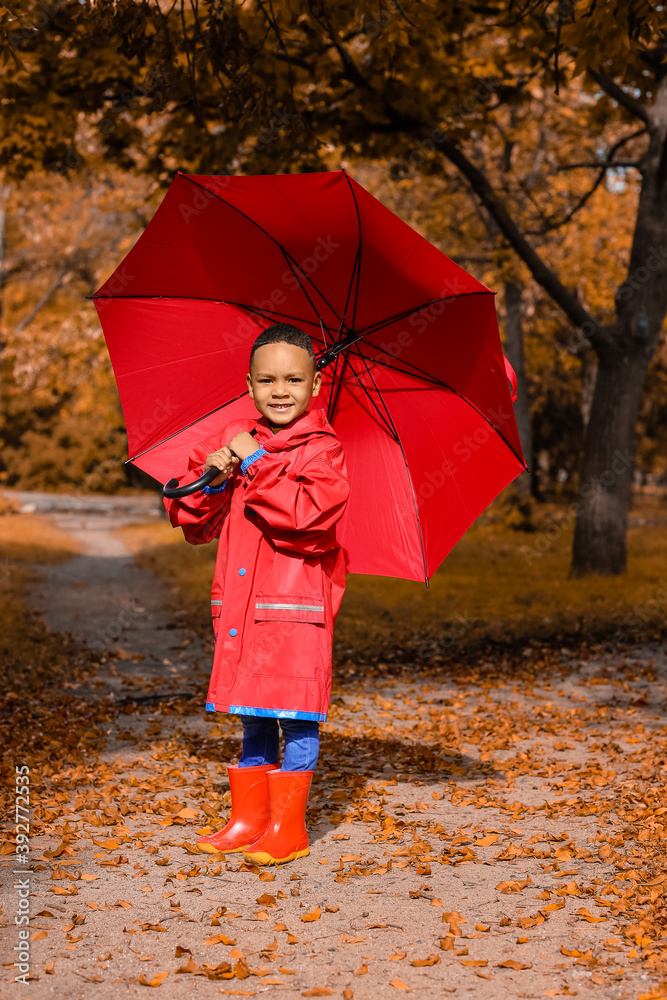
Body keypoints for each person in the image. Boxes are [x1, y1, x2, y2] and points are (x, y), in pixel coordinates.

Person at [163, 323, 350, 865]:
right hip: (243, 606)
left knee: (294, 712)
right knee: (253, 711)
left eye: (294, 378)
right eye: (267, 379)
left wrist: (255, 463)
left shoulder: (323, 451)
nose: (281, 390)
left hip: (295, 611)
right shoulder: (236, 438)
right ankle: (250, 819)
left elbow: (309, 517)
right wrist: (215, 476)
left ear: (316, 384)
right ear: (248, 384)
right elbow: (192, 519)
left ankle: (288, 828)